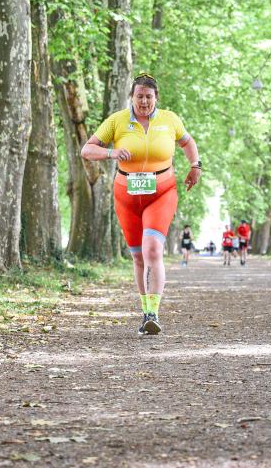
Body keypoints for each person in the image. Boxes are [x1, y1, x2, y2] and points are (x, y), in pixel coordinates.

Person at [81, 73, 201, 335]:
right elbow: (87, 150)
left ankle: (153, 313)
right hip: (127, 194)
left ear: (156, 97)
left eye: (149, 96)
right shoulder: (117, 121)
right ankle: (144, 310)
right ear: (131, 97)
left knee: (152, 251)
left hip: (162, 191)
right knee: (137, 256)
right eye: (139, 96)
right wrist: (111, 152)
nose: (144, 101)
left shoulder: (170, 119)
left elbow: (187, 142)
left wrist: (195, 165)